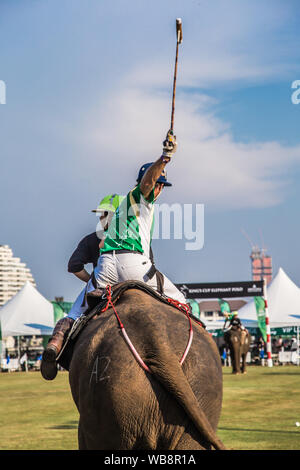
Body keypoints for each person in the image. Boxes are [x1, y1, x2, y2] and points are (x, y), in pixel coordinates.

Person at [41, 131, 186, 381]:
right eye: (161, 185)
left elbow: (75, 266)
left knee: (75, 313)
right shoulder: (140, 197)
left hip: (106, 266)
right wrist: (164, 158)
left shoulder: (118, 209)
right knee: (181, 301)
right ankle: (183, 357)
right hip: (134, 265)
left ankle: (56, 344)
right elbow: (147, 184)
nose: (160, 189)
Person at [41, 194, 124, 380]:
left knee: (72, 316)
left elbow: (74, 266)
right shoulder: (132, 237)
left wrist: (90, 281)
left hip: (101, 285)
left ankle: (55, 344)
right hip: (129, 282)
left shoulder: (93, 239)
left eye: (104, 215)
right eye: (101, 215)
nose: (102, 219)